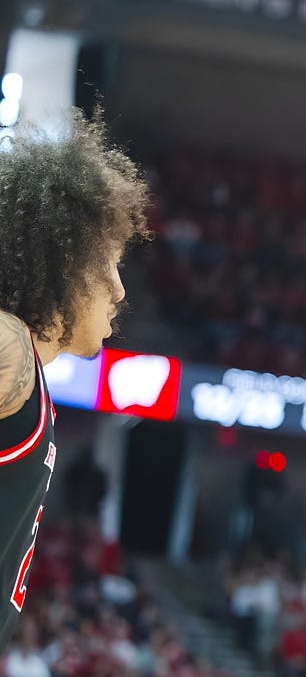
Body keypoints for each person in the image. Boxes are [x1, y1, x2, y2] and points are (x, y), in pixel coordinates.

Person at [0, 112, 148, 647]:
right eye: (112, 263)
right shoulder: (12, 346)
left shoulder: (29, 379)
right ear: (67, 259)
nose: (120, 290)